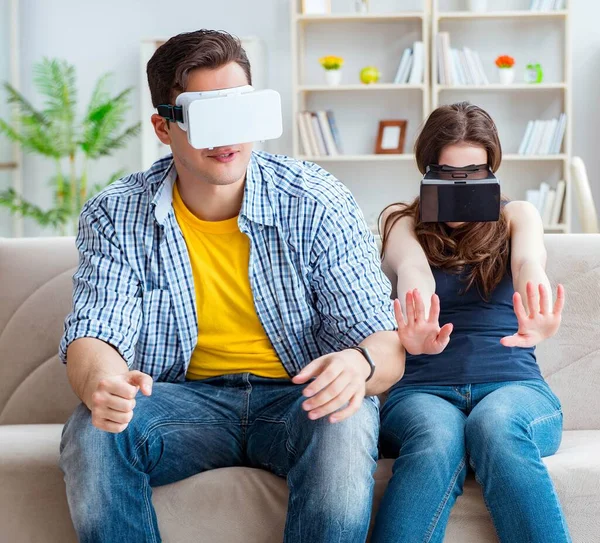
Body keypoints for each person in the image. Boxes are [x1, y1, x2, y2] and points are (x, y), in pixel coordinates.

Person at [58, 29, 405, 543]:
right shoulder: (116, 213)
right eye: (207, 117)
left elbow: (383, 340)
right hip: (182, 403)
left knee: (345, 421)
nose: (229, 138)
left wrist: (359, 364)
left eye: (240, 112)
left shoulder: (315, 200)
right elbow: (96, 330)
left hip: (298, 401)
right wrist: (103, 385)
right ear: (163, 126)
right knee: (92, 431)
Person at [371, 102, 571, 543]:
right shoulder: (401, 220)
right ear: (426, 169)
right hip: (423, 390)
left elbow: (527, 261)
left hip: (513, 388)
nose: (461, 186)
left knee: (494, 425)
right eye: (446, 172)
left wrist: (535, 299)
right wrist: (419, 315)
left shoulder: (517, 215)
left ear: (493, 169)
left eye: (475, 171)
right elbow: (413, 271)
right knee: (436, 438)